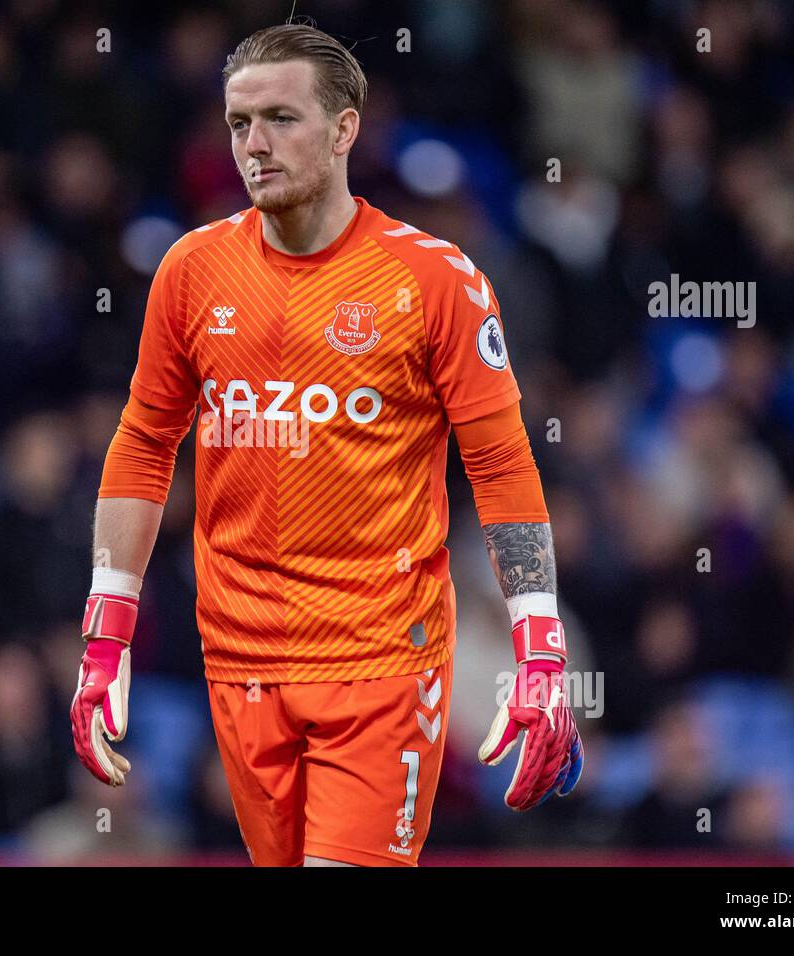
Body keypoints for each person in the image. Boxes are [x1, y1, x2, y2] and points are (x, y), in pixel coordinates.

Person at [69, 22, 583, 867]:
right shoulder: (190, 273)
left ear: (345, 130)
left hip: (381, 658)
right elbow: (144, 442)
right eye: (239, 124)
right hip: (238, 659)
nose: (254, 146)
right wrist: (104, 631)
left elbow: (499, 462)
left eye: (281, 118)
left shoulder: (434, 281)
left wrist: (540, 645)